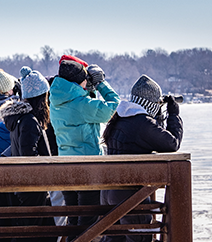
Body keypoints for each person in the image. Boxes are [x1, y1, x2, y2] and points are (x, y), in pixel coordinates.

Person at [100, 75, 183, 242]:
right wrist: (173, 115)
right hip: (130, 195)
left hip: (109, 191)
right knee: (140, 239)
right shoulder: (141, 123)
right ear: (151, 103)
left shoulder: (121, 117)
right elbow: (172, 143)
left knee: (114, 239)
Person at [49, 57, 120, 242]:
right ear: (78, 81)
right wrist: (102, 85)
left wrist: (89, 91)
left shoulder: (56, 100)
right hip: (86, 168)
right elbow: (114, 107)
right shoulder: (81, 105)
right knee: (89, 220)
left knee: (74, 219)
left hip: (65, 166)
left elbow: (86, 109)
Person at [0, 66, 56, 242]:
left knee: (38, 231)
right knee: (34, 233)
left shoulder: (21, 119)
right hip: (32, 186)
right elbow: (28, 155)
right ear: (41, 96)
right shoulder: (29, 122)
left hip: (26, 184)